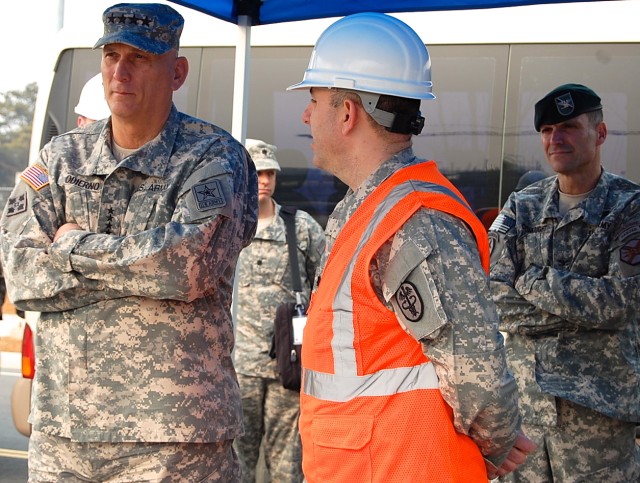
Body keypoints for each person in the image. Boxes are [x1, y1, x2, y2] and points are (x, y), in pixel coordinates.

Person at [0, 3, 257, 481]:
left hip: (173, 441)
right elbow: (21, 275)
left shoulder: (215, 157)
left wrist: (73, 247)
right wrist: (138, 263)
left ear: (176, 72)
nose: (119, 72)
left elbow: (186, 267)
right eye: (111, 56)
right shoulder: (60, 158)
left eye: (139, 58)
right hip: (64, 439)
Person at [286, 12, 534, 482]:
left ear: (346, 112)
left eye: (313, 99)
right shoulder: (367, 208)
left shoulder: (415, 220)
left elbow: (477, 378)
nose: (305, 114)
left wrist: (495, 444)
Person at [489, 83, 640, 482]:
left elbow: (617, 304)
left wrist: (534, 280)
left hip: (598, 417)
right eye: (547, 130)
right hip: (526, 410)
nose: (556, 138)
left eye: (569, 127)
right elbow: (494, 295)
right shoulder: (522, 205)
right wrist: (578, 310)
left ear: (600, 134)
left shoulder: (630, 207)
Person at [234, 139, 325, 483]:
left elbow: (328, 281)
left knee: (287, 466)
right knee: (234, 465)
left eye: (270, 173)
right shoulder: (227, 225)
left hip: (286, 368)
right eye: (257, 172)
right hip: (238, 369)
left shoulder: (298, 227)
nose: (265, 180)